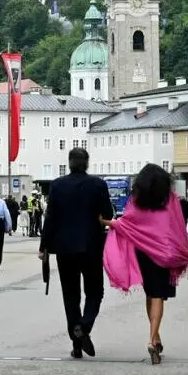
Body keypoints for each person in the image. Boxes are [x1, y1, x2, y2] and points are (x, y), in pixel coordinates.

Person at [100, 163, 188, 365]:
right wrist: (181, 251)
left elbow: (127, 223)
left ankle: (156, 336)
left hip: (142, 253)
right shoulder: (171, 200)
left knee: (150, 294)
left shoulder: (136, 201)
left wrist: (107, 222)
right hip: (164, 254)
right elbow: (178, 227)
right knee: (159, 295)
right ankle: (152, 339)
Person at [39, 148, 113, 360]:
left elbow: (50, 217)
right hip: (91, 247)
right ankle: (84, 326)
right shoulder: (98, 184)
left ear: (69, 163)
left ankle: (76, 343)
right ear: (87, 163)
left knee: (70, 295)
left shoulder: (57, 185)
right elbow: (108, 213)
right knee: (95, 292)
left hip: (64, 248)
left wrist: (44, 246)